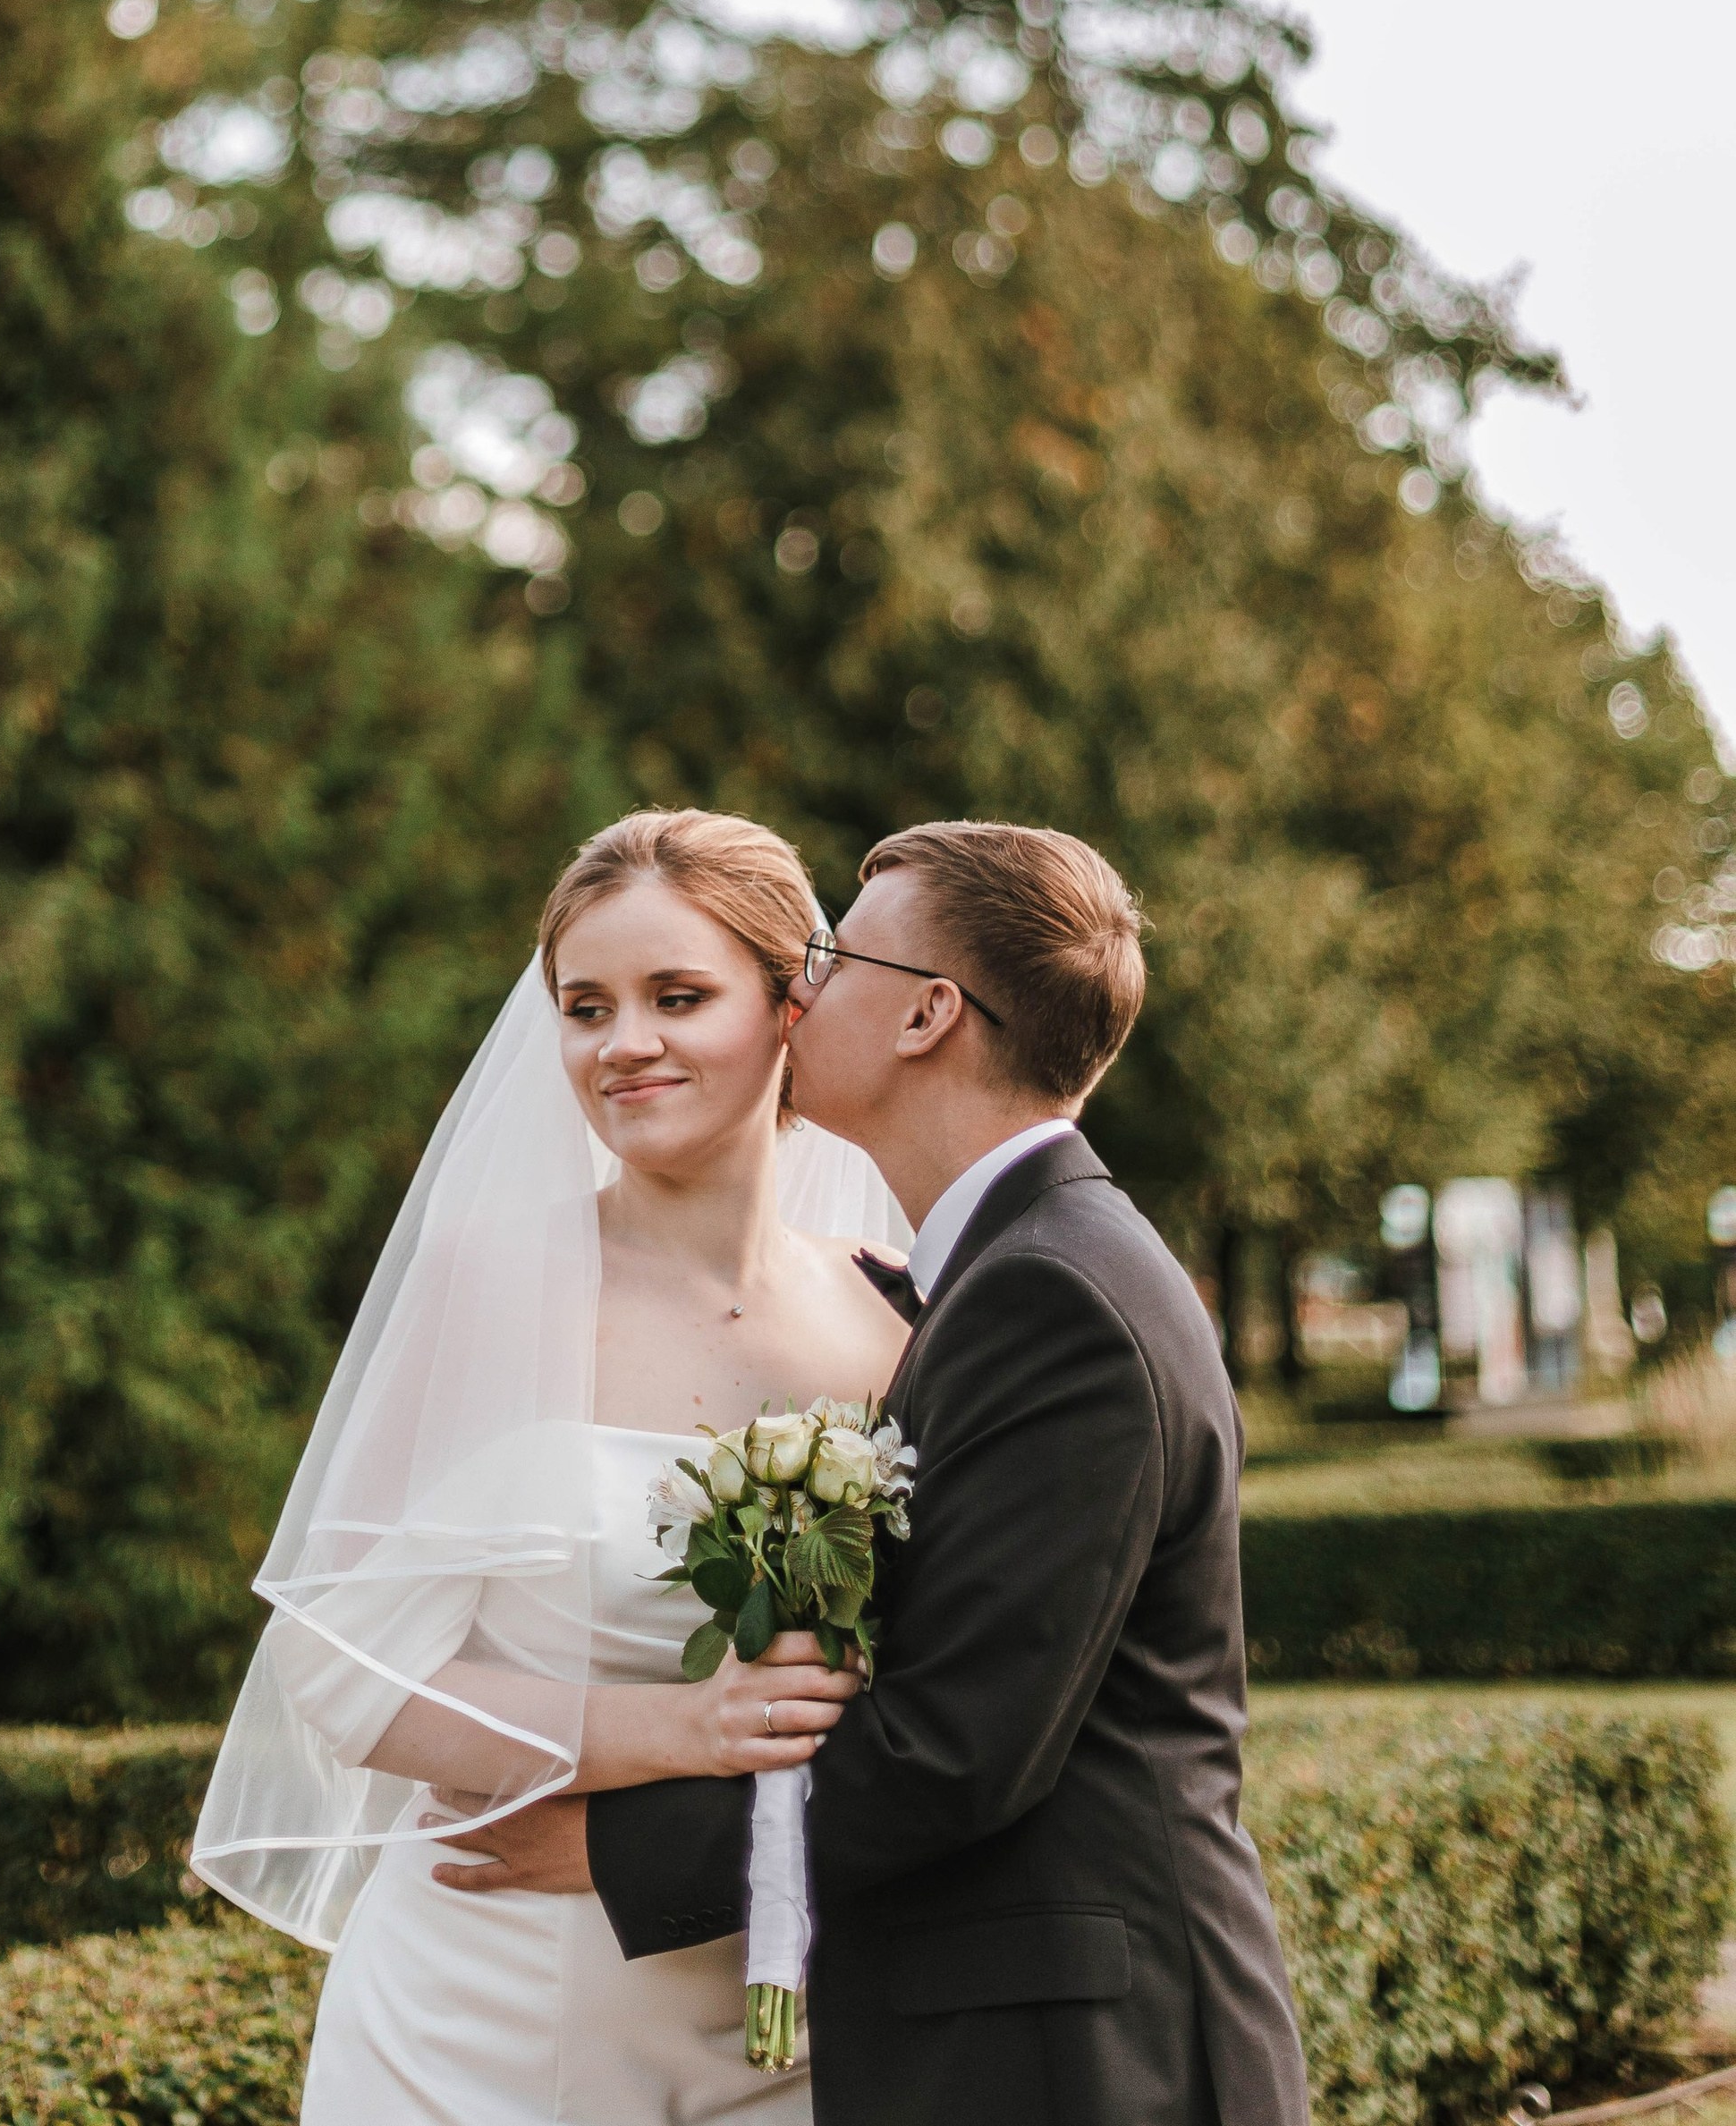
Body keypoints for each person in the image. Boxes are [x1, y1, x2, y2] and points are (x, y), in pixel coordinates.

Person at [576, 817, 1313, 2126]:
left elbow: (949, 1752)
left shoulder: (1049, 1294)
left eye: (832, 960)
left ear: (927, 1016)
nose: (797, 991)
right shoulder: (1005, 1271)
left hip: (1085, 2060)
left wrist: (596, 1847)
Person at [190, 806, 911, 2122]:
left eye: (677, 995)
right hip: (481, 2017)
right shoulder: (493, 1285)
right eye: (585, 1006)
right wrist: (680, 1726)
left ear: (790, 1002)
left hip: (780, 2027)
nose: (622, 1043)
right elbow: (333, 1662)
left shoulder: (890, 1313)